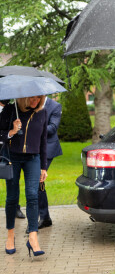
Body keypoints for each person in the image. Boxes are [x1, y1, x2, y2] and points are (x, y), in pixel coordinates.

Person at [0, 96, 48, 258]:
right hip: (12, 158)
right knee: (12, 197)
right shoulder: (9, 110)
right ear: (24, 97)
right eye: (32, 97)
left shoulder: (42, 113)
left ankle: (33, 237)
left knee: (33, 196)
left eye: (39, 97)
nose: (36, 100)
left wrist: (43, 167)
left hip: (33, 159)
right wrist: (12, 131)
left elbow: (43, 141)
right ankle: (10, 236)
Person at [24, 97, 62, 232]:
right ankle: (45, 217)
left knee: (35, 182)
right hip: (31, 148)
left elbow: (52, 128)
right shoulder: (30, 103)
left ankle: (36, 221)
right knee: (38, 183)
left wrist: (35, 125)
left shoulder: (55, 106)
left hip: (48, 148)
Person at [1, 100, 25, 220]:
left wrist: (14, 130)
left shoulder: (12, 108)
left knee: (12, 180)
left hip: (6, 150)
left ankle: (14, 208)